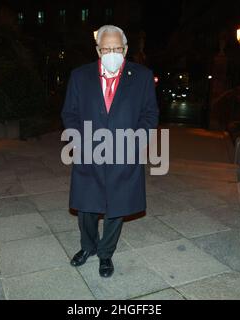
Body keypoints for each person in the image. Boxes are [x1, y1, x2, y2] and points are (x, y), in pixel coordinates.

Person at [61, 25, 159, 278]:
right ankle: (88, 247)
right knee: (86, 208)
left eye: (117, 48)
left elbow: (150, 114)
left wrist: (136, 141)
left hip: (125, 153)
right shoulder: (80, 76)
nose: (112, 52)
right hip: (89, 153)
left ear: (125, 49)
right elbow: (69, 113)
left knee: (117, 208)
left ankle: (106, 254)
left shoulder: (142, 76)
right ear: (98, 50)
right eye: (106, 48)